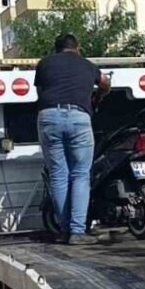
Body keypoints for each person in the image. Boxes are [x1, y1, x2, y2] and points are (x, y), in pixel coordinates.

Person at [35, 34, 111, 245]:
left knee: (58, 174)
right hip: (79, 116)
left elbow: (41, 92)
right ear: (78, 48)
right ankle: (78, 231)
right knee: (80, 174)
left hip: (48, 117)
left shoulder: (44, 64)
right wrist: (99, 95)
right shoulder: (87, 64)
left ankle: (65, 230)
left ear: (57, 49)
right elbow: (105, 82)